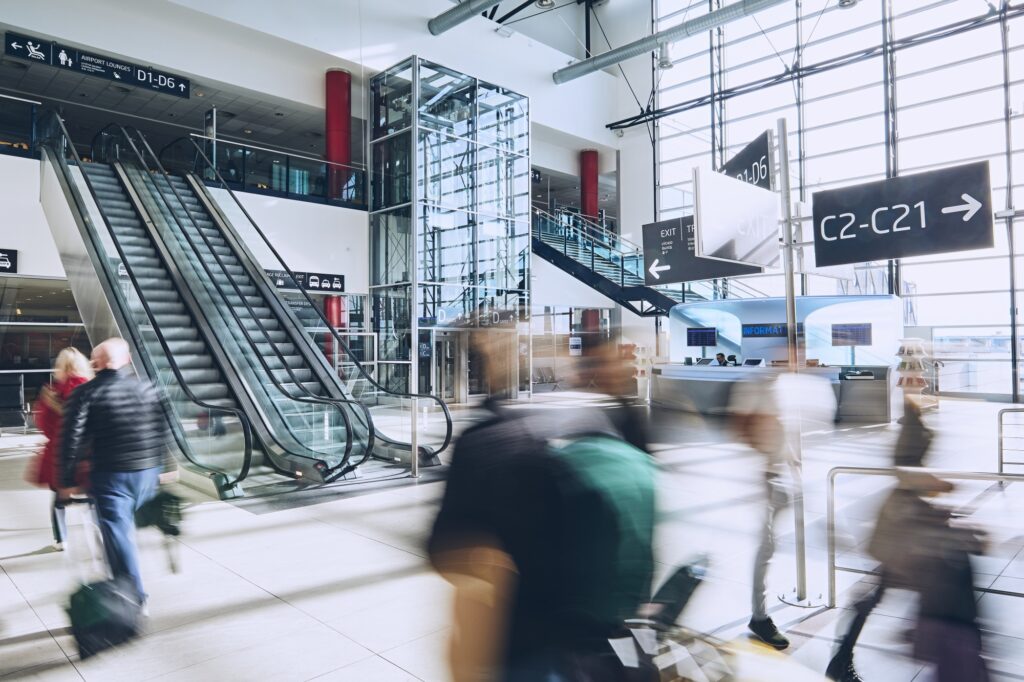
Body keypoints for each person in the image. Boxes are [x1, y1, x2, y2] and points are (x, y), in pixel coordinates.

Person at [429, 335, 656, 681]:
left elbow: (455, 556)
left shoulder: (489, 441)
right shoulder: (509, 440)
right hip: (558, 634)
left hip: (543, 637)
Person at [825, 401, 957, 682]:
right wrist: (932, 483)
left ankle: (845, 656)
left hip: (908, 520)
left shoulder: (916, 417)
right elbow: (902, 468)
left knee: (889, 590)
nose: (921, 377)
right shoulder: (910, 421)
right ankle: (844, 657)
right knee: (887, 590)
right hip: (903, 523)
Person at [58, 338, 170, 603]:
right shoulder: (149, 388)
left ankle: (134, 596)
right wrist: (161, 467)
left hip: (111, 476)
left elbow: (71, 439)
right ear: (128, 359)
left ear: (95, 364)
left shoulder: (85, 393)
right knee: (125, 528)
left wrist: (66, 480)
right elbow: (163, 430)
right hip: (148, 472)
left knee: (118, 535)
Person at [730, 374, 835, 651]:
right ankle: (759, 616)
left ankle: (760, 615)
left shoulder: (793, 386)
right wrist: (764, 441)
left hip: (785, 475)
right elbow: (742, 427)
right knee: (766, 548)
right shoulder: (759, 386)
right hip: (766, 476)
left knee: (775, 544)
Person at [29, 347, 94, 549]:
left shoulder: (52, 392)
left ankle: (61, 539)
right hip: (88, 453)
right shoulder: (91, 388)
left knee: (58, 498)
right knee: (94, 494)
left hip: (59, 452)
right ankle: (98, 527)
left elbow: (43, 424)